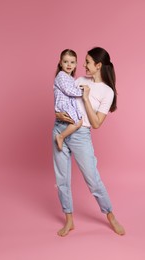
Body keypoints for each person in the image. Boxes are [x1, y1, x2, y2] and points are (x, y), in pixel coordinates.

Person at [52, 47, 125, 236]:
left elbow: (96, 123)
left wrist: (85, 98)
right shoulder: (80, 80)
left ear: (98, 65)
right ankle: (69, 220)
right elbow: (63, 99)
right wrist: (57, 113)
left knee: (92, 180)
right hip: (60, 128)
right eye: (82, 61)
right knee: (62, 180)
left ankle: (110, 215)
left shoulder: (106, 92)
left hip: (80, 135)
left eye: (87, 62)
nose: (82, 65)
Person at [54, 49, 83, 151]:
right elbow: (68, 91)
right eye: (65, 62)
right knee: (77, 122)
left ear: (76, 64)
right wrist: (83, 92)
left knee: (79, 121)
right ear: (60, 63)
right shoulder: (61, 76)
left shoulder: (71, 78)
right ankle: (60, 136)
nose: (69, 65)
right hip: (63, 104)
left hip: (69, 104)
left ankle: (62, 136)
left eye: (72, 62)